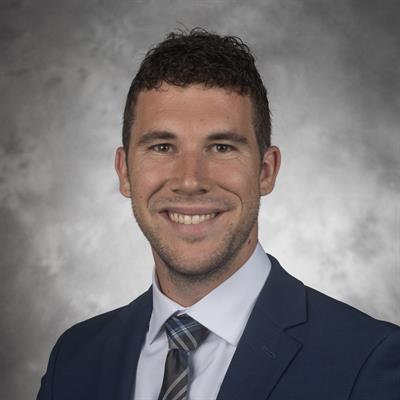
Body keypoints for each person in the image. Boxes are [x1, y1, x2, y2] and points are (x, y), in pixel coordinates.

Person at [37, 28, 400, 400]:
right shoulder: (75, 358)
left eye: (222, 147)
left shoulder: (369, 361)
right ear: (125, 172)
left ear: (266, 171)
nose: (190, 181)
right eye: (162, 147)